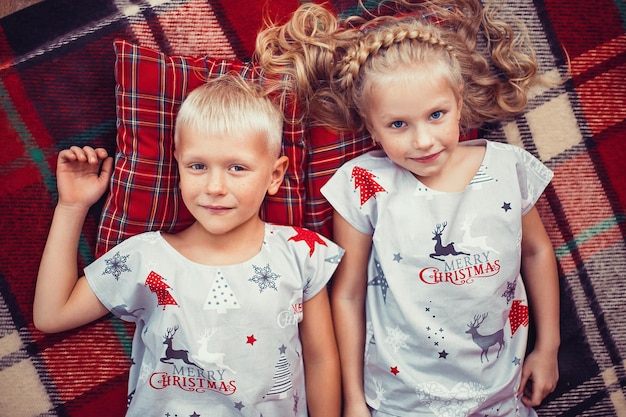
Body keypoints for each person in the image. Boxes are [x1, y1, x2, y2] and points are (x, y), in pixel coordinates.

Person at [255, 1, 560, 416]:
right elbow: (347, 295)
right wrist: (354, 400)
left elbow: (537, 251)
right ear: (371, 126)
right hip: (400, 402)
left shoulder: (507, 167)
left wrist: (549, 347)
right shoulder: (364, 184)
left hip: (500, 395)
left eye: (437, 115)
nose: (423, 140)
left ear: (459, 102)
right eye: (398, 124)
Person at [33, 74, 343, 417]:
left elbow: (321, 358)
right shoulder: (145, 257)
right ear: (178, 163)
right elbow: (51, 315)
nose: (214, 186)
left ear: (274, 175)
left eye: (237, 168)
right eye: (197, 166)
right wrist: (72, 207)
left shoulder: (301, 252)